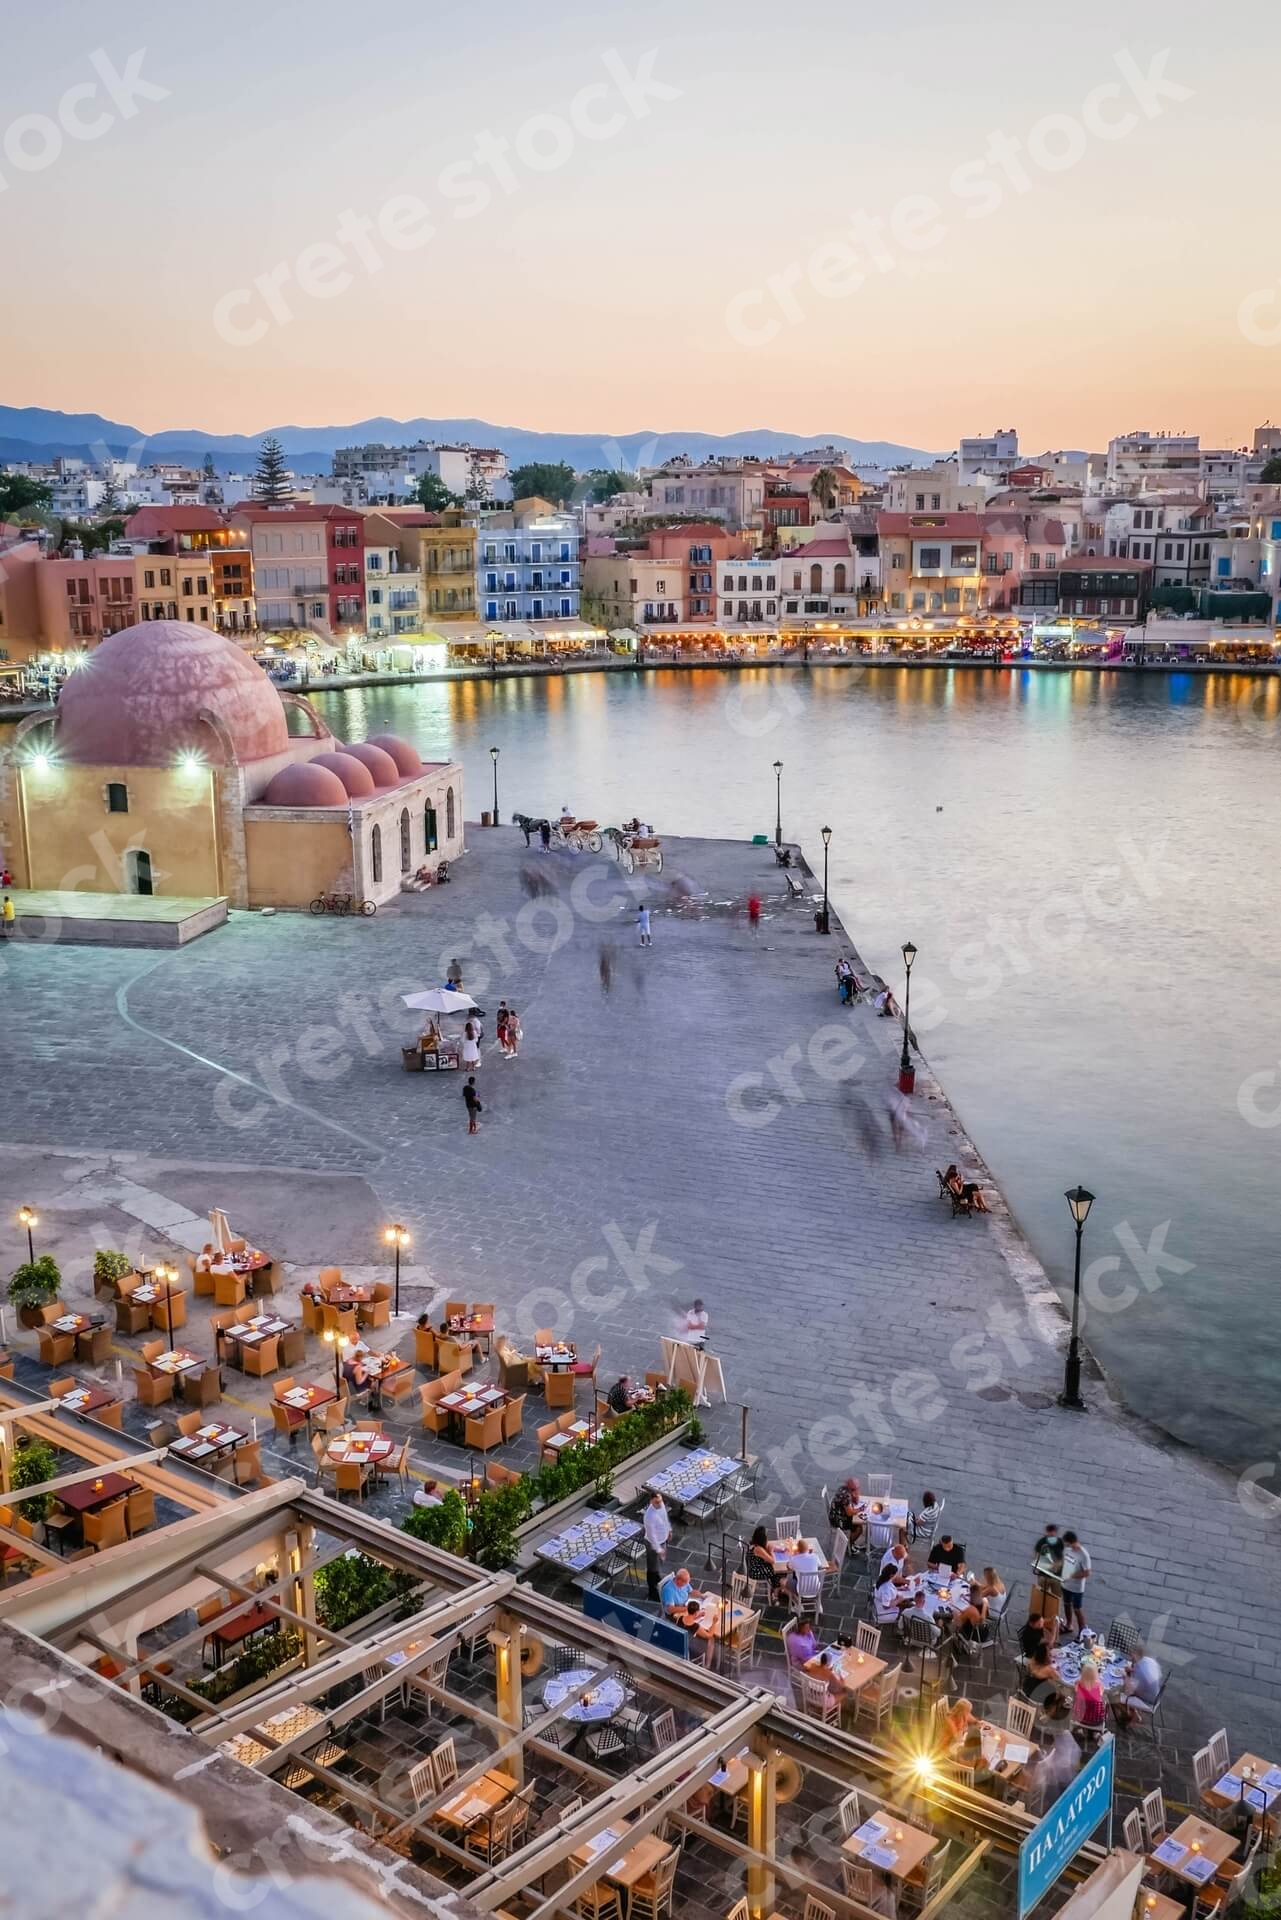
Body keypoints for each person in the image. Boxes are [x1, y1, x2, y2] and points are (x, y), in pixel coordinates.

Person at [1114, 1644, 1163, 1727]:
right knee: (1123, 1690)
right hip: (1156, 1694)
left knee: (1113, 1697)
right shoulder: (1148, 1660)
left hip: (1147, 1701)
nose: (1129, 1658)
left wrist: (1124, 1676)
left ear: (1135, 1655)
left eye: (1131, 1655)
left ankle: (1131, 1715)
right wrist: (1132, 1670)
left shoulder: (1140, 1671)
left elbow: (1130, 1690)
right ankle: (1133, 1712)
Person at [745, 1525, 788, 1604]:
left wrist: (781, 1549)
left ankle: (777, 1588)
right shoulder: (758, 1549)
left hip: (757, 1566)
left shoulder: (755, 1543)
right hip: (755, 1571)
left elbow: (769, 1545)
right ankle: (775, 1594)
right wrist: (771, 1551)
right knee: (777, 1573)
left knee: (779, 1572)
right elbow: (772, 1561)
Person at [1060, 1530, 1092, 1631]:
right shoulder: (1067, 1549)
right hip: (1065, 1584)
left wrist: (1072, 1575)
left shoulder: (1084, 1555)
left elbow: (1087, 1573)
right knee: (1066, 1604)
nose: (1069, 1547)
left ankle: (1082, 1632)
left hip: (1076, 1588)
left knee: (1077, 1609)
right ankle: (1068, 1624)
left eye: (1069, 1545)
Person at [644, 1490, 671, 1602]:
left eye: (660, 1501)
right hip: (653, 1544)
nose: (659, 1504)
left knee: (658, 1565)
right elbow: (652, 1536)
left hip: (662, 1539)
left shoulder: (661, 1505)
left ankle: (657, 1579)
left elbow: (665, 1518)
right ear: (651, 1502)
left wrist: (669, 1529)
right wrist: (659, 1550)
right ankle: (652, 1591)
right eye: (656, 1502)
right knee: (652, 1568)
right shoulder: (649, 1516)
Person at [1071, 1658, 1107, 1741]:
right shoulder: (1099, 1686)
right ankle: (1094, 1732)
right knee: (1103, 1703)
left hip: (1080, 1718)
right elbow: (1102, 1692)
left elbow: (1076, 1686)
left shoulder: (1078, 1684)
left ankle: (1082, 1729)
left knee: (1080, 1702)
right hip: (1096, 1720)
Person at [828, 1478, 865, 1546]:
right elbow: (850, 1513)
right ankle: (848, 1545)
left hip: (835, 1513)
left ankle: (849, 1543)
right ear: (851, 1488)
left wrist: (856, 1494)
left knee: (857, 1521)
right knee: (859, 1528)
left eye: (858, 1487)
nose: (858, 1489)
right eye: (856, 1488)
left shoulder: (842, 1488)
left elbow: (856, 1501)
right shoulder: (846, 1496)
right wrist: (861, 1509)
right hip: (838, 1520)